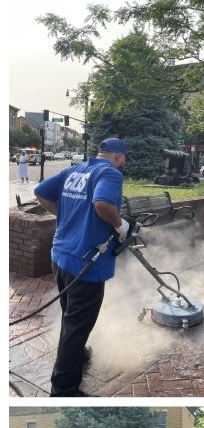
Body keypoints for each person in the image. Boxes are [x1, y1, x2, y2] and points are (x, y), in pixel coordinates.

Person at [34, 138, 133, 397]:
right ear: (119, 157)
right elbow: (102, 204)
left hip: (61, 256)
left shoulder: (73, 170)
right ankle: (64, 388)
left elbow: (41, 192)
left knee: (71, 313)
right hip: (86, 263)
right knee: (78, 324)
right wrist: (120, 226)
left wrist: (65, 215)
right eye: (123, 160)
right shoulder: (109, 172)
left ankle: (76, 353)